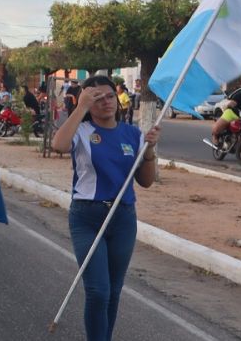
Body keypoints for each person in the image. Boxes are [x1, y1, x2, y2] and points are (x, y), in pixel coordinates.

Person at [50, 75, 160, 341]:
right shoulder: (81, 130)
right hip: (87, 218)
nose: (106, 102)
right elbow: (58, 145)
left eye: (110, 96)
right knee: (98, 291)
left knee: (113, 291)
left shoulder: (132, 134)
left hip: (123, 219)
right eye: (96, 98)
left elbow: (146, 181)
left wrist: (149, 151)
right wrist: (81, 108)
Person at [211, 84, 241, 148]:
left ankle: (238, 143)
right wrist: (232, 106)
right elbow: (231, 103)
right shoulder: (239, 96)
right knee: (217, 128)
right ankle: (215, 137)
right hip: (232, 114)